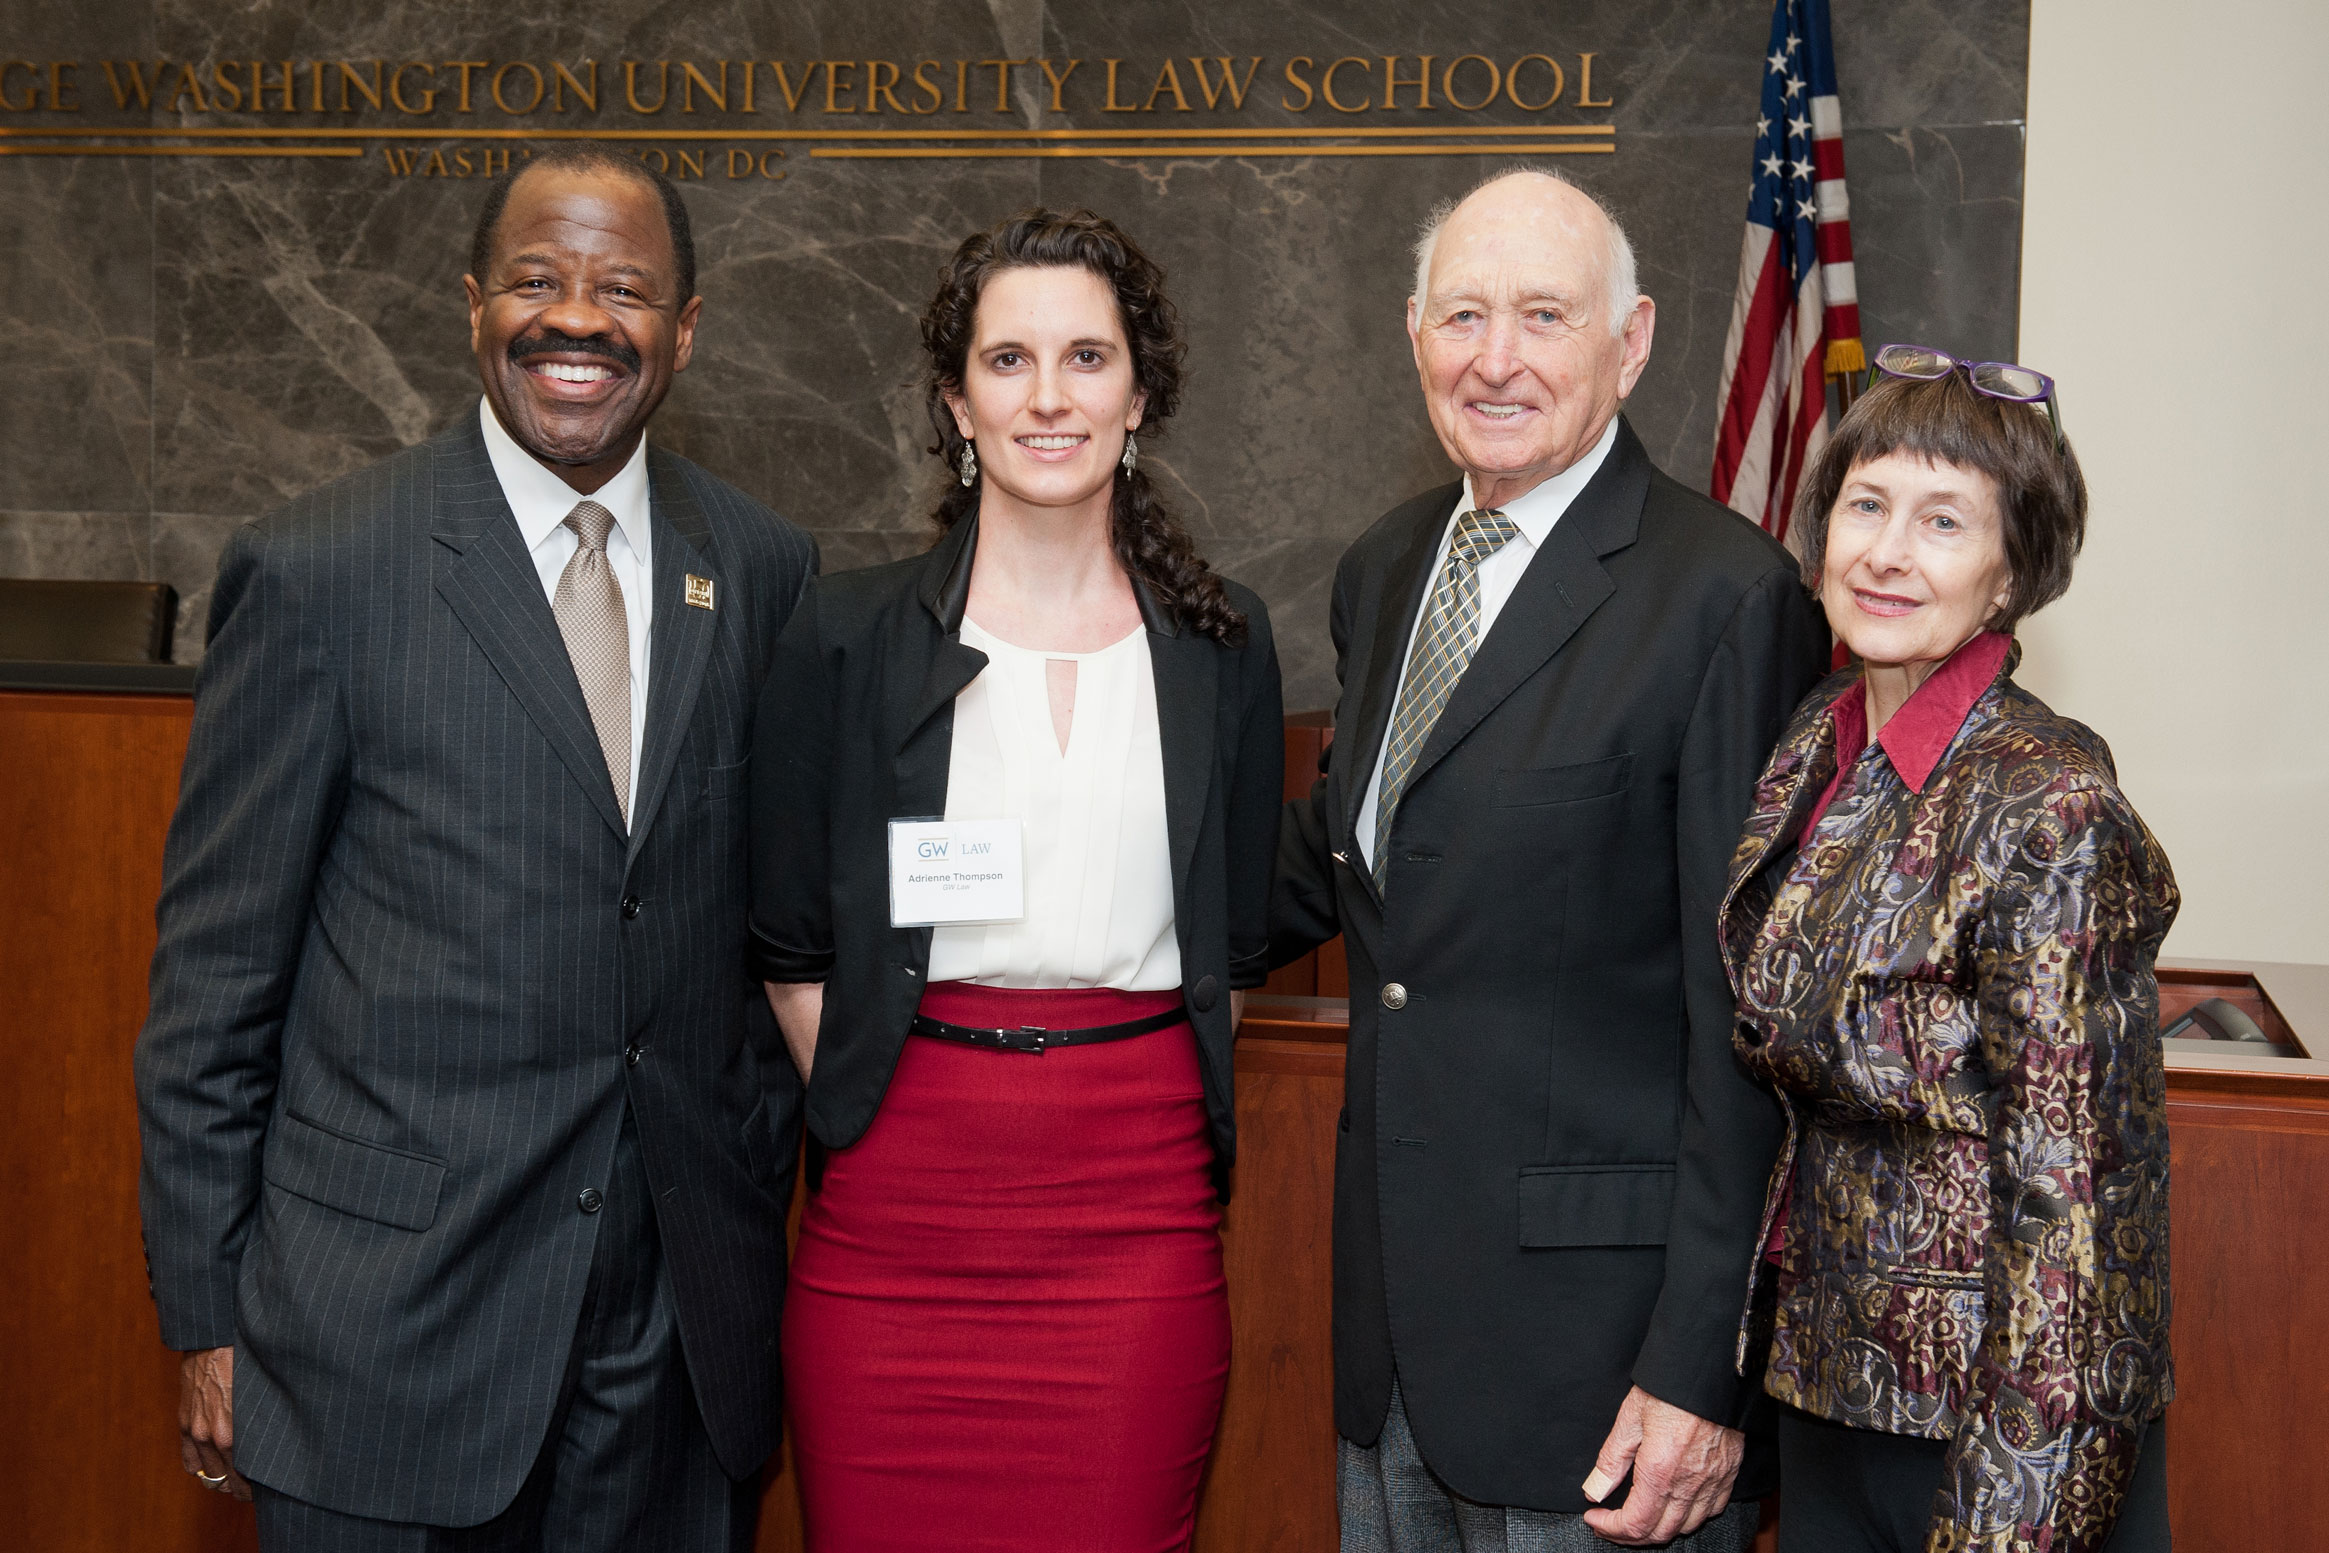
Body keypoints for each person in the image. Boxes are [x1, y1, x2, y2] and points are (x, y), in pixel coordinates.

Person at [133, 145, 815, 1551]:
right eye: (537, 280)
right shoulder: (323, 569)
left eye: (624, 289)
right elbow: (215, 988)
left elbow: (760, 933)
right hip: (379, 1345)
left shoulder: (760, 568)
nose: (578, 319)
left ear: (684, 330)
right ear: (471, 306)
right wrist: (208, 1315)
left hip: (673, 1355)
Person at [1271, 165, 1830, 1551]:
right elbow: (1357, 871)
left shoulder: (1727, 597)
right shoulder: (1387, 568)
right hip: (1394, 1338)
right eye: (1463, 316)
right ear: (1412, 332)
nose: (1497, 359)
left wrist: (1700, 1372)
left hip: (1610, 1373)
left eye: (1542, 315)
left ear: (1630, 341)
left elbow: (1747, 1030)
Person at [746, 207, 1282, 1552]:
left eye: (1088, 359)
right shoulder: (850, 633)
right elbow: (787, 929)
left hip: (1135, 1209)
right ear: (956, 402)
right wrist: (883, 1087)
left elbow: (1237, 930)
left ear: (1140, 393)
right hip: (893, 1220)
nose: (1050, 397)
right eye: (1009, 361)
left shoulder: (1220, 645)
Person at [1721, 349, 2176, 1552]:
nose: (1886, 551)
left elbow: (2080, 1214)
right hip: (1831, 1395)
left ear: (2011, 571)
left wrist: (2009, 1516)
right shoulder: (1817, 743)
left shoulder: (2050, 800)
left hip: (2000, 1433)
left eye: (1942, 520)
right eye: (1865, 505)